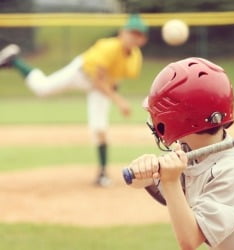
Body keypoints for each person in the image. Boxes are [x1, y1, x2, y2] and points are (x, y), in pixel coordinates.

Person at [126, 57, 234, 249]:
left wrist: (170, 180)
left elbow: (190, 240)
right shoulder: (190, 153)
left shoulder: (232, 169)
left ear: (177, 117)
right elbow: (148, 186)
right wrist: (145, 171)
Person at [0, 14, 149, 187]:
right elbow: (97, 81)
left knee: (99, 127)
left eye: (138, 34)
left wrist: (113, 92)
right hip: (81, 73)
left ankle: (102, 174)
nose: (133, 37)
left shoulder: (135, 59)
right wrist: (118, 100)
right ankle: (15, 60)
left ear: (143, 39)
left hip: (101, 86)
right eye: (131, 32)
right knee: (43, 88)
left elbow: (115, 78)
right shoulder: (109, 47)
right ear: (122, 32)